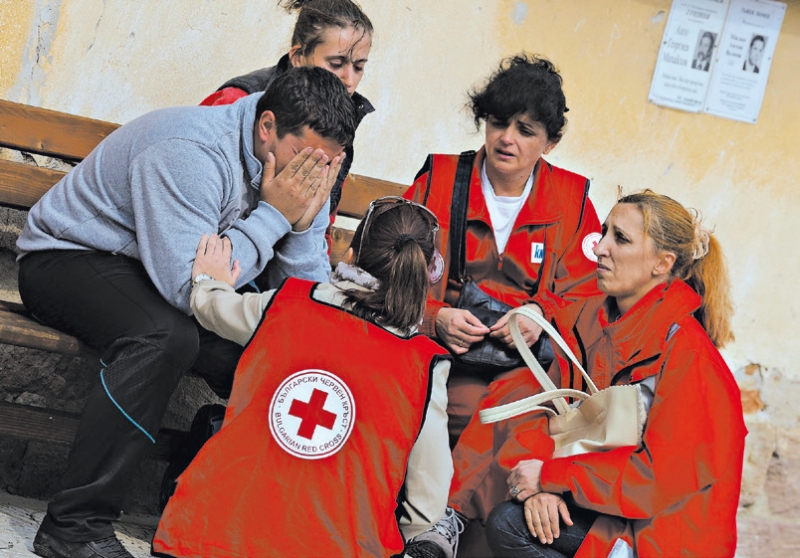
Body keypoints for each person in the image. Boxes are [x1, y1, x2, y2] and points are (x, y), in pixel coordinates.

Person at [16, 66, 355, 558]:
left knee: (290, 355)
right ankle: (74, 528)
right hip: (68, 257)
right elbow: (189, 287)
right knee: (165, 337)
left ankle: (207, 509)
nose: (310, 177)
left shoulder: (308, 168)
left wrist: (300, 227)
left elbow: (301, 294)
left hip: (153, 274)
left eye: (325, 166)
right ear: (267, 128)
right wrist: (275, 217)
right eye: (304, 159)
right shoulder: (188, 149)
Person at [152, 197, 452, 557]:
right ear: (424, 274)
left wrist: (207, 282)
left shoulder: (286, 303)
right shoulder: (425, 365)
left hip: (205, 540)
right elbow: (425, 507)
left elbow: (213, 308)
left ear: (352, 254)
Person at [475, 190, 746, 557]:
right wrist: (541, 488)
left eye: (620, 238)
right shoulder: (590, 321)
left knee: (511, 526)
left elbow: (657, 480)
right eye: (604, 232)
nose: (600, 248)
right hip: (607, 505)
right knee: (512, 515)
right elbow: (548, 413)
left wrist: (553, 478)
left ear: (662, 263)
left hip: (660, 535)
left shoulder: (691, 357)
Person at [403, 54, 601, 446]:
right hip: (439, 359)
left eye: (525, 130)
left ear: (551, 142)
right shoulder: (438, 182)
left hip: (531, 371)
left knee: (516, 418)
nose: (506, 138)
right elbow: (385, 269)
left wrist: (541, 313)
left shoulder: (572, 201)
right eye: (497, 122)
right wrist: (434, 318)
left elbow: (590, 292)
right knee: (463, 413)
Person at [201, 0, 375, 252]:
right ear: (298, 57)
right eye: (336, 64)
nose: (349, 80)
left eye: (359, 67)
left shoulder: (342, 120)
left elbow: (321, 225)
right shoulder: (235, 102)